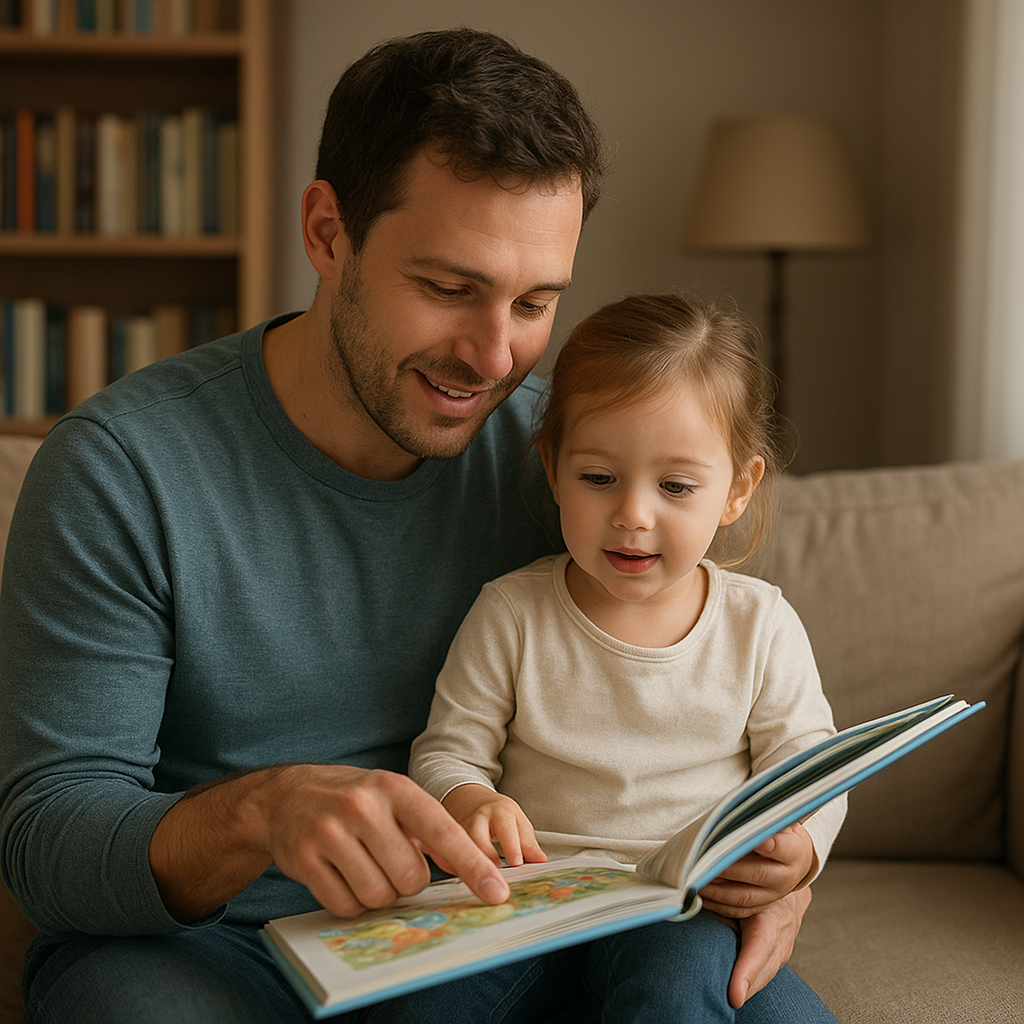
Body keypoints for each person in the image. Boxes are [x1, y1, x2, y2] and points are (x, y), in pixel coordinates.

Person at [0, 28, 806, 1024]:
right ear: (327, 232)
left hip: (504, 928)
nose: (492, 353)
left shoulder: (567, 464)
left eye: (534, 301)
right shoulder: (123, 469)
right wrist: (260, 812)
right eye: (449, 288)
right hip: (219, 950)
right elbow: (48, 841)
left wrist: (774, 866)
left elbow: (718, 707)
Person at [368, 294, 845, 1022]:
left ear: (737, 491)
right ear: (553, 468)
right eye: (599, 479)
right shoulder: (511, 612)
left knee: (693, 991)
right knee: (417, 1007)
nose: (633, 515)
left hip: (680, 910)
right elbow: (445, 754)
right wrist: (472, 799)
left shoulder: (761, 625)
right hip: (525, 907)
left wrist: (800, 849)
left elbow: (814, 764)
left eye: (676, 487)